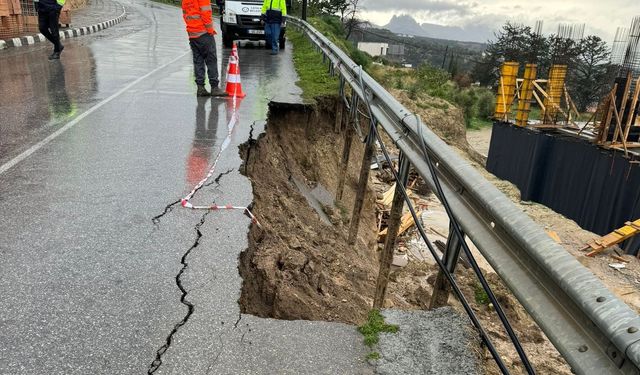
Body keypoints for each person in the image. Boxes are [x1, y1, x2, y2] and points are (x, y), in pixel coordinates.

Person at [182, 0, 225, 97]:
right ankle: (214, 88)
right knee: (211, 60)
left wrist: (192, 27)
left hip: (192, 34)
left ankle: (200, 88)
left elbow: (184, 14)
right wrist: (210, 30)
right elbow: (206, 14)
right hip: (203, 33)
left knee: (198, 60)